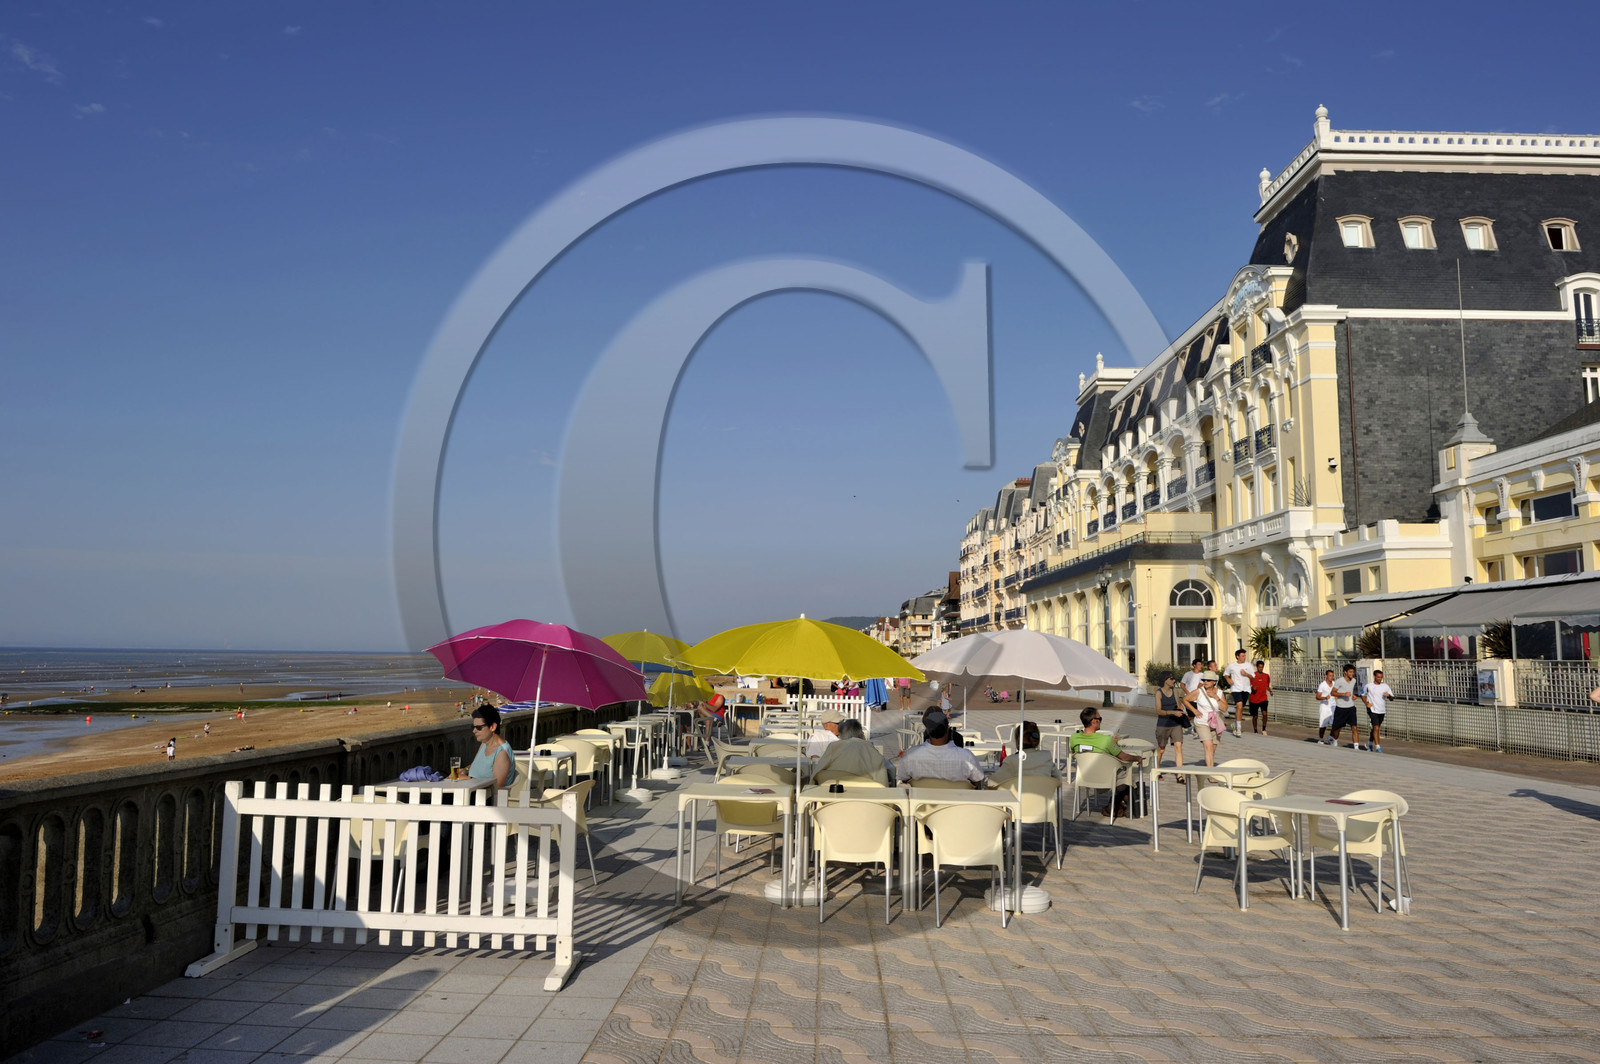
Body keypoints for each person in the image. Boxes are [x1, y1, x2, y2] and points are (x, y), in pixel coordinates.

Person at [1068, 707, 1144, 815]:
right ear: (1094, 721)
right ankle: (1120, 804)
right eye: (1100, 718)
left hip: (1086, 777)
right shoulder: (1106, 740)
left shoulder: (1074, 738)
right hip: (1105, 779)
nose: (1101, 721)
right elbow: (1124, 757)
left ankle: (1116, 805)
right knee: (1129, 775)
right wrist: (1137, 758)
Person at [894, 710, 985, 786]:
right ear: (947, 728)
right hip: (957, 801)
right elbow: (977, 780)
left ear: (927, 730)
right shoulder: (966, 756)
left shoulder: (911, 755)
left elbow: (902, 779)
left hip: (922, 802)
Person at [814, 718, 891, 784]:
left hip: (835, 792)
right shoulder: (872, 751)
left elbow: (816, 773)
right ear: (861, 733)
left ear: (841, 735)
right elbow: (882, 783)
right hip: (864, 794)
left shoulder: (833, 747)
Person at [990, 720, 1059, 786]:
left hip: (1017, 794)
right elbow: (1058, 778)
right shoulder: (1046, 756)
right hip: (1043, 793)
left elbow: (992, 782)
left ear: (1018, 740)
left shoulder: (1011, 760)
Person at [468, 706, 517, 789]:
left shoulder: (501, 753)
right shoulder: (484, 744)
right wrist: (464, 770)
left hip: (483, 796)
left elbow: (496, 787)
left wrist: (467, 779)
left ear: (493, 727)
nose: (474, 731)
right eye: (473, 727)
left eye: (479, 727)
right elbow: (477, 765)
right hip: (470, 791)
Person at [1190, 673, 1226, 767]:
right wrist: (1194, 710)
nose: (1205, 682)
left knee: (1212, 749)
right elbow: (1185, 699)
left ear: (1214, 682)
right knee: (1209, 746)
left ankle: (1207, 767)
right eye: (1204, 680)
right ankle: (1211, 772)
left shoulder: (1219, 693)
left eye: (1208, 680)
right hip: (1202, 722)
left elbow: (1225, 709)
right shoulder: (1199, 691)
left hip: (1215, 723)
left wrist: (1216, 697)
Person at [1153, 672, 1187, 770]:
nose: (1174, 680)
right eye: (1171, 679)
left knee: (1178, 746)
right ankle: (1157, 770)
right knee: (1161, 749)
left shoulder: (1175, 691)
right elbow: (1158, 711)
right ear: (1165, 680)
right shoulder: (1159, 693)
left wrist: (1181, 708)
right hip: (1163, 724)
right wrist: (1172, 712)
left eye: (1174, 678)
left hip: (1176, 723)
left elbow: (1179, 705)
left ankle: (1180, 774)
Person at [1223, 650, 1255, 737]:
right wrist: (1228, 679)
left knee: (1240, 708)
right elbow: (1225, 674)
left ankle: (1235, 724)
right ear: (1237, 656)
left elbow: (1253, 677)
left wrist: (1246, 674)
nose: (1244, 657)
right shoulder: (1232, 665)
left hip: (1246, 689)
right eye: (1242, 656)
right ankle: (1239, 728)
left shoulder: (1248, 665)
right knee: (1239, 705)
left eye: (1245, 656)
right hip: (1236, 688)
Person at [1362, 668, 1393, 752]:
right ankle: (1378, 747)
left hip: (1381, 710)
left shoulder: (1385, 686)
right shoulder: (1369, 686)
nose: (1380, 679)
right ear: (1374, 676)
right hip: (1372, 709)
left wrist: (1389, 696)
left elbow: (1392, 698)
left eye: (1381, 677)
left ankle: (1369, 743)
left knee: (1376, 728)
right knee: (1376, 727)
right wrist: (1366, 703)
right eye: (1378, 677)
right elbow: (1362, 694)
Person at [1329, 664, 1360, 748]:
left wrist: (1354, 696)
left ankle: (1356, 747)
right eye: (1350, 672)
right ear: (1345, 672)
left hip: (1351, 708)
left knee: (1354, 727)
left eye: (1353, 672)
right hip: (1341, 708)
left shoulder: (1354, 680)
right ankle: (1335, 741)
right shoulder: (1339, 681)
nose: (1352, 673)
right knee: (1337, 728)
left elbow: (1351, 692)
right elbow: (1332, 693)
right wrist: (1343, 694)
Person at [1248, 659, 1272, 734]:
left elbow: (1267, 686)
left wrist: (1270, 691)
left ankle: (1264, 728)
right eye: (1259, 667)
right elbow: (1248, 686)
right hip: (1254, 699)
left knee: (1265, 713)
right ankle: (1255, 730)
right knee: (1255, 716)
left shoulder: (1266, 676)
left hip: (1263, 698)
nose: (1260, 669)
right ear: (1257, 667)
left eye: (1262, 667)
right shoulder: (1252, 676)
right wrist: (1252, 688)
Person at [1315, 669, 1337, 743]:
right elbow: (1317, 696)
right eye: (1330, 675)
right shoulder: (1322, 685)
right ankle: (1321, 739)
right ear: (1326, 676)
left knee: (1335, 723)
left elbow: (1337, 693)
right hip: (1324, 706)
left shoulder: (1334, 684)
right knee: (1323, 724)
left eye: (1332, 676)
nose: (1331, 677)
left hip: (1333, 706)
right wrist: (1324, 698)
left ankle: (1330, 737)